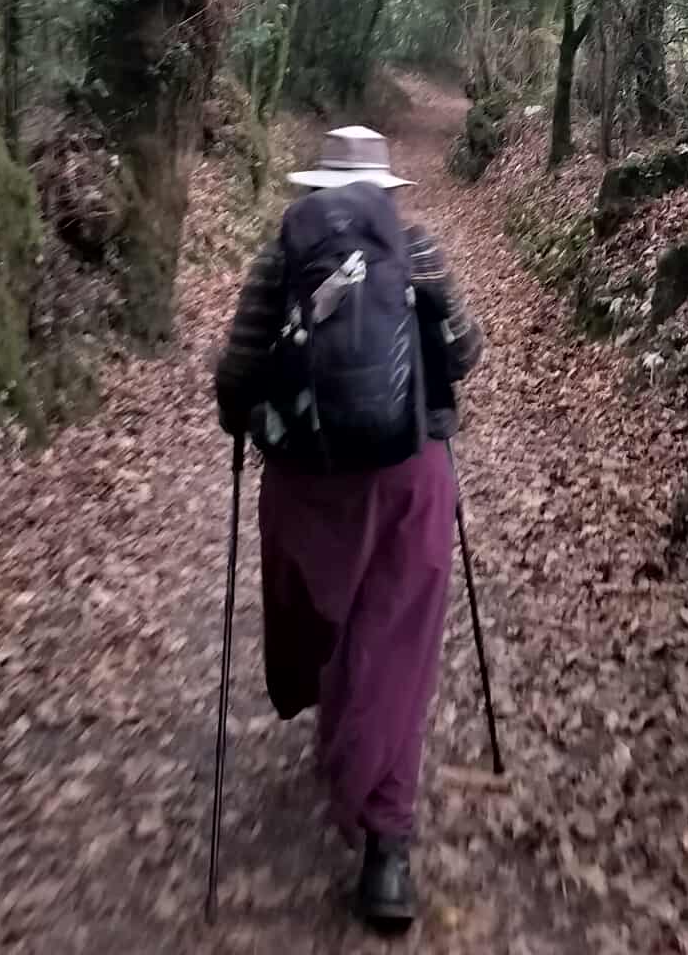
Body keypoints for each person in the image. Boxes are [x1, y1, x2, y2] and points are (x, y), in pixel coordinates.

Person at [214, 125, 483, 933]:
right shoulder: (417, 249)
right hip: (409, 476)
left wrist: (238, 417)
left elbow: (238, 368)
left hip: (305, 481)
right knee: (395, 646)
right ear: (385, 188)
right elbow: (464, 352)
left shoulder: (281, 255)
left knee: (326, 622)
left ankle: (341, 747)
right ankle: (386, 853)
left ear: (316, 186)